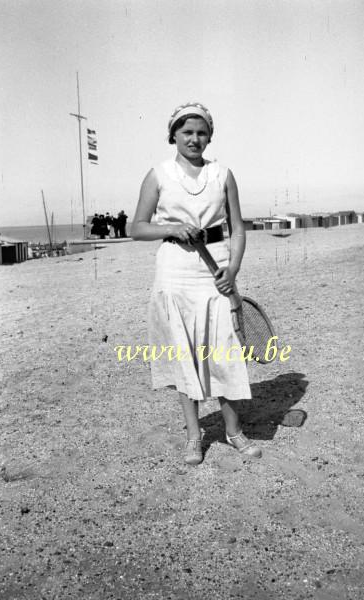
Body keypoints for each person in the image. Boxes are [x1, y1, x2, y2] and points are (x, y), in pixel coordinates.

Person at [131, 102, 261, 466]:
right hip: (174, 270)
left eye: (201, 132)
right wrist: (171, 228)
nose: (194, 139)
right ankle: (193, 436)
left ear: (210, 137)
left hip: (216, 268)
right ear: (173, 135)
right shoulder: (158, 175)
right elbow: (136, 227)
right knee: (182, 352)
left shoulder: (223, 174)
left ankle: (234, 432)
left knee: (225, 350)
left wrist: (232, 269)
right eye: (187, 132)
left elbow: (237, 227)